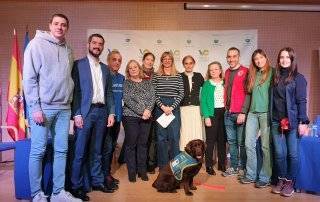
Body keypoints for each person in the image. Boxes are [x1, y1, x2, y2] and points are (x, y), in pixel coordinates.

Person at [23, 14, 80, 202]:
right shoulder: (36, 45)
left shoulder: (68, 50)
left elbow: (68, 80)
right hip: (43, 109)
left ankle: (58, 193)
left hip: (64, 109)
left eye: (64, 25)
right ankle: (37, 195)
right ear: (50, 25)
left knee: (62, 151)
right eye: (56, 24)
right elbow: (29, 79)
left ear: (67, 28)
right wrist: (35, 108)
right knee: (38, 151)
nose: (60, 27)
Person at [71, 34, 115, 201]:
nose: (97, 46)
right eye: (94, 43)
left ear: (103, 47)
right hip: (85, 113)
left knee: (97, 151)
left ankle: (97, 181)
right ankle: (77, 186)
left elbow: (109, 93)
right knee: (80, 151)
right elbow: (74, 92)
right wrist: (76, 113)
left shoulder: (105, 68)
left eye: (100, 44)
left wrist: (111, 112)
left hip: (102, 112)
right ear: (88, 44)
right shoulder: (78, 65)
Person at [271, 47, 309, 197]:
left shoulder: (299, 78)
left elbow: (302, 101)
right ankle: (280, 179)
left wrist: (303, 121)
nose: (284, 60)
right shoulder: (275, 77)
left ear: (292, 60)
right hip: (276, 121)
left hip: (293, 122)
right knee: (280, 154)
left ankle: (289, 182)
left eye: (287, 57)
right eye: (281, 57)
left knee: (292, 154)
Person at [240, 49, 273, 188]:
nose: (258, 61)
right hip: (252, 113)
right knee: (249, 144)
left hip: (266, 113)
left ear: (265, 57)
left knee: (265, 147)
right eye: (256, 59)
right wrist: (243, 111)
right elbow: (248, 95)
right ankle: (251, 174)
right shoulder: (252, 74)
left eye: (260, 57)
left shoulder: (273, 72)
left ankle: (265, 177)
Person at [122, 60, 155, 182]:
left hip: (147, 117)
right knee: (131, 145)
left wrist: (148, 110)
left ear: (139, 68)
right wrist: (143, 111)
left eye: (135, 67)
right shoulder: (126, 83)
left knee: (143, 144)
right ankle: (132, 172)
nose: (133, 69)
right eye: (130, 68)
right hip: (130, 117)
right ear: (128, 71)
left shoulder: (147, 82)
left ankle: (142, 171)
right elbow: (128, 100)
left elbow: (152, 97)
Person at [152, 51, 184, 169]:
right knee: (161, 139)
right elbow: (154, 94)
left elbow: (181, 93)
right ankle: (163, 167)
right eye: (164, 58)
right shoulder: (156, 75)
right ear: (161, 61)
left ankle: (176, 167)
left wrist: (171, 107)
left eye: (169, 58)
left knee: (174, 138)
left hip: (173, 108)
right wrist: (163, 107)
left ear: (172, 60)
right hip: (160, 109)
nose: (167, 60)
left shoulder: (178, 75)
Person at [222, 47, 249, 177]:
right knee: (231, 143)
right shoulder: (226, 72)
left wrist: (243, 112)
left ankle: (242, 167)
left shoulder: (246, 71)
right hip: (228, 113)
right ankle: (233, 166)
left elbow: (249, 93)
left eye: (234, 56)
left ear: (238, 57)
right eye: (229, 56)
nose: (231, 59)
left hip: (240, 113)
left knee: (241, 143)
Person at [102, 50, 124, 189]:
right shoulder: (103, 75)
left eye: (119, 60)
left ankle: (107, 173)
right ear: (108, 61)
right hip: (105, 119)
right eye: (114, 59)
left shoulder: (122, 78)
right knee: (105, 148)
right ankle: (104, 175)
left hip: (117, 118)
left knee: (110, 148)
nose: (117, 62)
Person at [201, 61, 226, 175]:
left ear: (220, 70)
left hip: (224, 113)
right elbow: (203, 102)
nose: (213, 71)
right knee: (210, 141)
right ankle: (209, 165)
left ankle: (222, 164)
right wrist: (206, 116)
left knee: (222, 140)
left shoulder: (225, 82)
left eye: (216, 69)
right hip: (212, 113)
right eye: (211, 70)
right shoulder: (207, 84)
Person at [179, 55, 204, 150]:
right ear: (183, 65)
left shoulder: (199, 76)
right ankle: (184, 153)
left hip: (196, 108)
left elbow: (204, 93)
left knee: (196, 131)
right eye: (186, 63)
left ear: (194, 64)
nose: (188, 65)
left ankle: (197, 153)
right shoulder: (179, 76)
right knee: (184, 131)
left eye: (190, 63)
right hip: (183, 109)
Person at [141, 52, 158, 174]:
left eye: (152, 60)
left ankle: (151, 164)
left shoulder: (156, 75)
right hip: (139, 111)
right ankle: (141, 163)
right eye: (147, 59)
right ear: (143, 60)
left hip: (154, 110)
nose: (150, 61)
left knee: (152, 138)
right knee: (141, 139)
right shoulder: (137, 72)